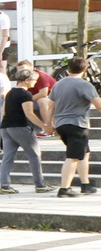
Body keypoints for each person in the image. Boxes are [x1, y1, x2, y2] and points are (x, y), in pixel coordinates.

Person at [47, 57, 97, 197]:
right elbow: (99, 105)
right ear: (85, 69)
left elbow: (50, 105)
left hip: (61, 124)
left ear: (68, 69)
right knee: (73, 156)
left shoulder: (58, 84)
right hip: (77, 124)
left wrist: (48, 124)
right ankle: (64, 189)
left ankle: (85, 184)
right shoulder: (84, 85)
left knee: (84, 153)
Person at [0, 65, 51, 195]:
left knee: (7, 157)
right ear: (26, 80)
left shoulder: (10, 93)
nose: (35, 82)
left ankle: (4, 186)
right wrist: (45, 126)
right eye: (34, 80)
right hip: (20, 127)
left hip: (6, 127)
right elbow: (29, 114)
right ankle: (40, 184)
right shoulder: (25, 94)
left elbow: (3, 111)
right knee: (34, 156)